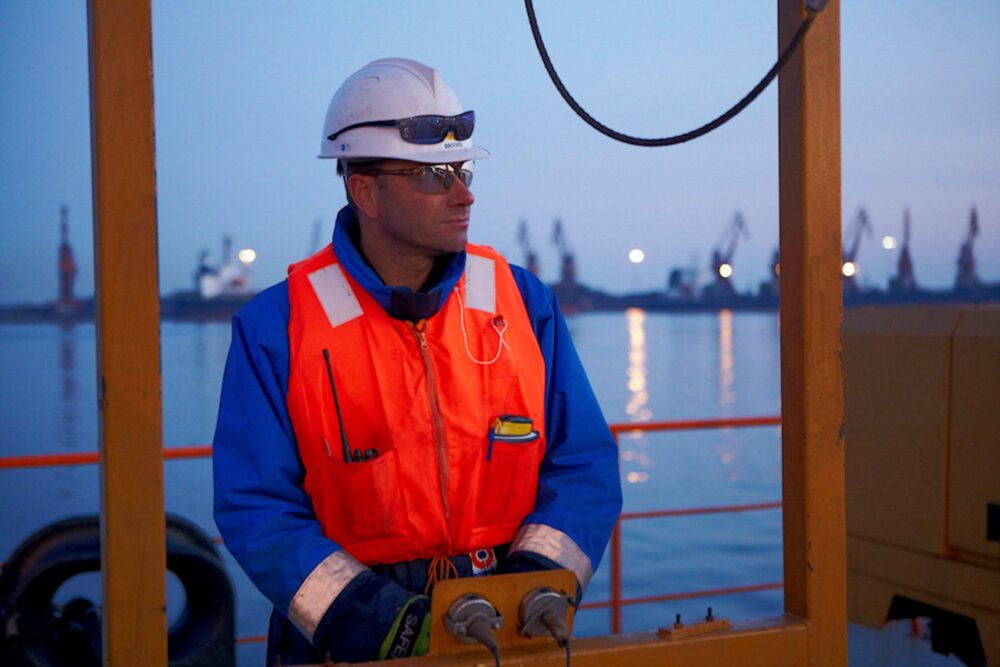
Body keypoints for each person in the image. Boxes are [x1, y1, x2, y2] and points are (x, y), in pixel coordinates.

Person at [213, 57, 622, 664]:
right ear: (365, 191)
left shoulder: (523, 304)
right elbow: (257, 509)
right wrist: (374, 620)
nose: (465, 192)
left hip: (507, 622)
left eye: (461, 168)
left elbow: (583, 462)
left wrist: (538, 579)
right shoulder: (279, 327)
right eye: (435, 174)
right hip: (349, 643)